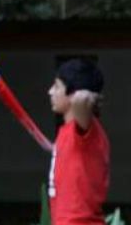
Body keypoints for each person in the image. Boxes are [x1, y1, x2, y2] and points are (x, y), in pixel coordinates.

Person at [48, 58, 109, 224]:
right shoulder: (67, 131)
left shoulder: (84, 129)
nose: (50, 92)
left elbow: (81, 99)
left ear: (72, 93)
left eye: (57, 86)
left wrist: (86, 94)